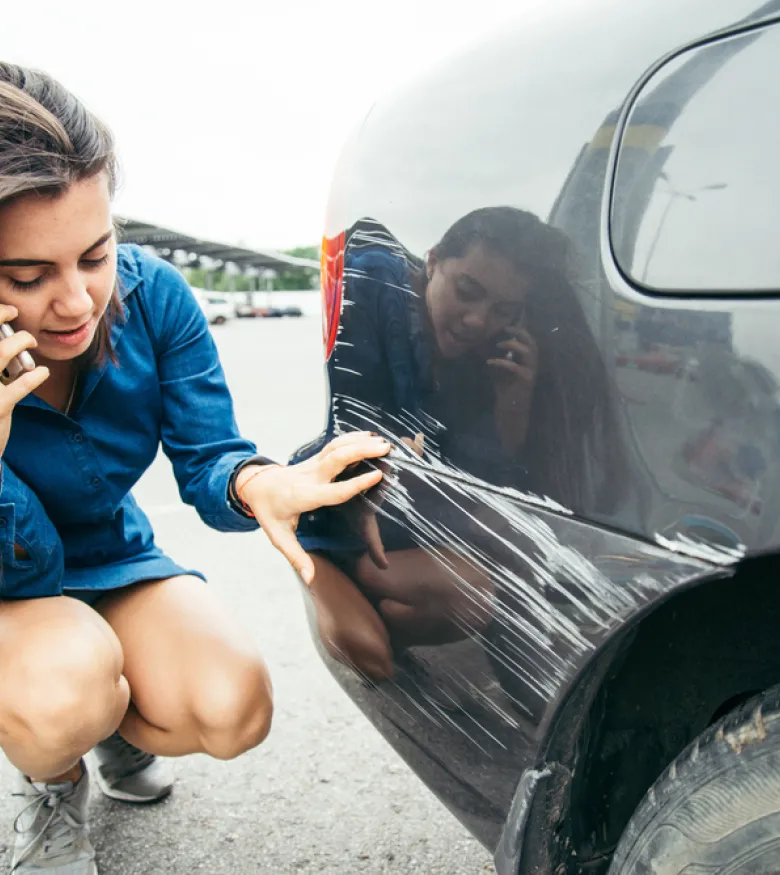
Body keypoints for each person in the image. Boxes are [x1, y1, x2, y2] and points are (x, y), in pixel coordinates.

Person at [0, 64, 390, 875]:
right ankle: (51, 772)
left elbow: (209, 456)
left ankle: (103, 715)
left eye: (95, 255)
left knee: (232, 706)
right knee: (60, 691)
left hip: (110, 557)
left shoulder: (156, 298)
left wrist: (261, 482)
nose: (76, 302)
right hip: (9, 586)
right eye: (28, 278)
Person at [294, 209, 627, 680]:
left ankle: (383, 591)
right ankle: (334, 568)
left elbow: (486, 483)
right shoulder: (378, 297)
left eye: (503, 311)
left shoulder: (477, 360)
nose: (477, 320)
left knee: (504, 558)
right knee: (374, 656)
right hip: (339, 516)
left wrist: (514, 403)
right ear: (432, 262)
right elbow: (353, 420)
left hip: (405, 521)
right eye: (468, 291)